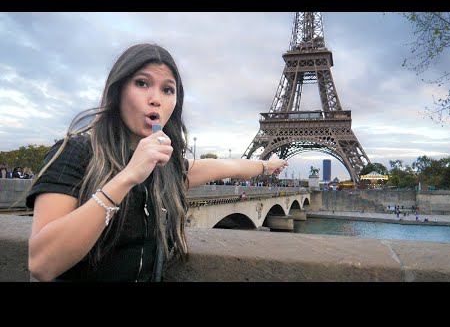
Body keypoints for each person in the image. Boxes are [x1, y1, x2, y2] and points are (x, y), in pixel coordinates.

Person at [26, 43, 288, 282]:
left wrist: (266, 166)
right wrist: (128, 176)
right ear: (118, 91)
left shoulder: (166, 169)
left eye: (167, 89)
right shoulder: (76, 152)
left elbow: (225, 166)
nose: (156, 98)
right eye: (142, 83)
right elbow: (42, 264)